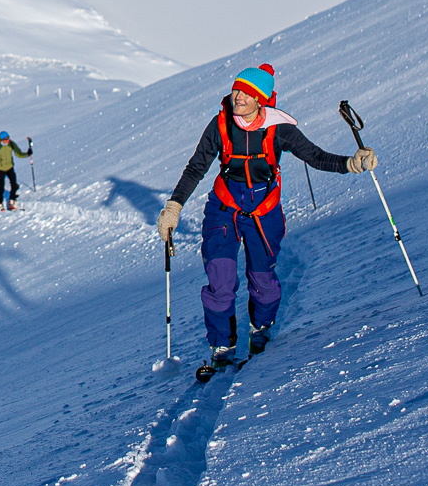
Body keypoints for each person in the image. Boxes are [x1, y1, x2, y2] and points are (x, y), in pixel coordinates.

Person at [155, 64, 377, 368]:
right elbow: (196, 167)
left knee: (263, 279)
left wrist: (352, 163)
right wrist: (174, 207)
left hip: (264, 212)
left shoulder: (279, 129)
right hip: (224, 209)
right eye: (237, 89)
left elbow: (316, 157)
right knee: (220, 280)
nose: (239, 96)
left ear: (261, 99)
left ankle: (261, 328)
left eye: (248, 92)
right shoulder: (220, 125)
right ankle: (222, 348)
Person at [0, 131, 32, 211]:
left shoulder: (11, 144)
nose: (8, 139)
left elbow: (18, 153)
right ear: (2, 140)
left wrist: (27, 154)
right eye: (6, 139)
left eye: (8, 137)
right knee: (1, 186)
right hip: (0, 169)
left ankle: (12, 200)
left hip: (9, 167)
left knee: (14, 184)